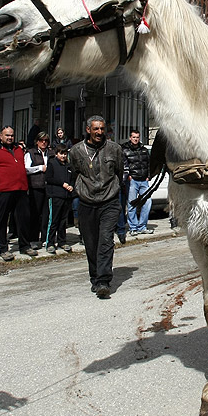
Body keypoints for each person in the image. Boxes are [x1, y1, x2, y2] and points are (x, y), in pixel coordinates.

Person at [69, 116, 125, 299]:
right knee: (91, 243)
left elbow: (119, 171)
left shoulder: (114, 149)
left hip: (109, 201)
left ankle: (103, 281)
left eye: (102, 129)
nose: (100, 132)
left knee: (105, 240)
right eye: (96, 129)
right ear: (88, 130)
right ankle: (95, 277)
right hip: (87, 202)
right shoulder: (77, 151)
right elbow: (76, 172)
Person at [0, 125, 37, 261]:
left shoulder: (18, 149)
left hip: (20, 189)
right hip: (2, 190)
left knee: (23, 219)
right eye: (7, 135)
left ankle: (24, 245)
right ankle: (2, 248)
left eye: (11, 135)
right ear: (1, 136)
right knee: (1, 220)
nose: (10, 137)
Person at [122, 130, 154, 236]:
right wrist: (128, 177)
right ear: (130, 138)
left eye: (137, 137)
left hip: (144, 180)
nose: (136, 139)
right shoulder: (125, 150)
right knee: (132, 204)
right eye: (134, 137)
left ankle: (142, 226)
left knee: (148, 203)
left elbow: (149, 164)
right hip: (133, 180)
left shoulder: (144, 150)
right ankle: (133, 227)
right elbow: (124, 165)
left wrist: (148, 176)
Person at [44, 143, 74, 253]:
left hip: (66, 196)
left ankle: (62, 241)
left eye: (65, 154)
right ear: (57, 154)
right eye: (61, 154)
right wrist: (62, 184)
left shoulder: (69, 166)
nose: (63, 156)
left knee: (63, 220)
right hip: (55, 195)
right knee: (54, 220)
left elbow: (72, 178)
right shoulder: (52, 163)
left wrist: (71, 185)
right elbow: (49, 178)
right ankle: (50, 242)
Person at [25, 131, 53, 249]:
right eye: (41, 140)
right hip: (35, 186)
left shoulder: (51, 153)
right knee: (35, 213)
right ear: (37, 141)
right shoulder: (30, 153)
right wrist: (39, 168)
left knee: (47, 214)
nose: (44, 143)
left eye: (46, 141)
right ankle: (33, 238)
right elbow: (26, 169)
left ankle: (45, 238)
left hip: (48, 186)